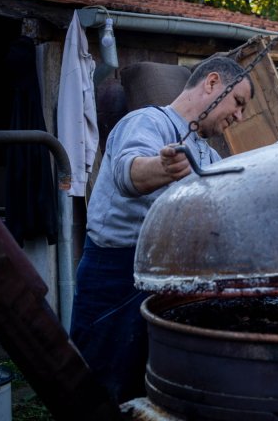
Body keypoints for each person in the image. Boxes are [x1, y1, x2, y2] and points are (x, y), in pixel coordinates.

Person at [69, 56, 252, 403]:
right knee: (100, 390)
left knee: (150, 387)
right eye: (238, 102)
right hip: (115, 277)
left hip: (169, 278)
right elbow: (130, 173)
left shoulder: (209, 155)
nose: (239, 116)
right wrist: (163, 166)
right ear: (212, 84)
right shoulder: (146, 122)